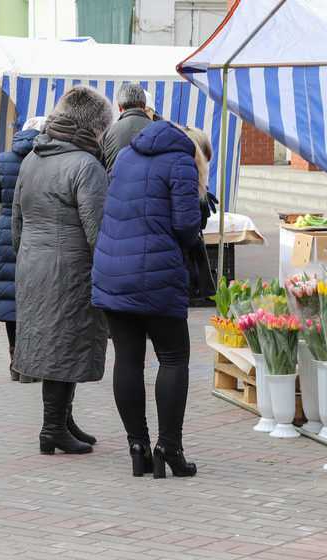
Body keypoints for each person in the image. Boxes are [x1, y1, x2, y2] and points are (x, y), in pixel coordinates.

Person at [92, 122, 211, 479]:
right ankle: (169, 448)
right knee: (173, 358)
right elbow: (187, 226)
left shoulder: (126, 155)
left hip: (113, 268)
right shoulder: (182, 163)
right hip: (157, 272)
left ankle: (138, 446)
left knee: (127, 359)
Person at [12, 86, 114, 457]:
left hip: (33, 263)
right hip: (69, 269)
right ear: (93, 127)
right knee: (64, 345)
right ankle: (52, 427)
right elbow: (97, 230)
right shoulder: (86, 166)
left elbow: (16, 222)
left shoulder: (32, 159)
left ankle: (63, 419)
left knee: (55, 342)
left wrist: (23, 258)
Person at [0, 116, 44, 384]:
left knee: (11, 296)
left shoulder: (4, 158)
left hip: (7, 228)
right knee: (38, 296)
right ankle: (32, 362)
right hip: (38, 227)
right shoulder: (46, 157)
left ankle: (15, 360)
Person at [101, 83, 152, 172]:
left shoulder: (108, 132)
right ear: (144, 106)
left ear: (120, 108)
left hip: (114, 185)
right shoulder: (159, 130)